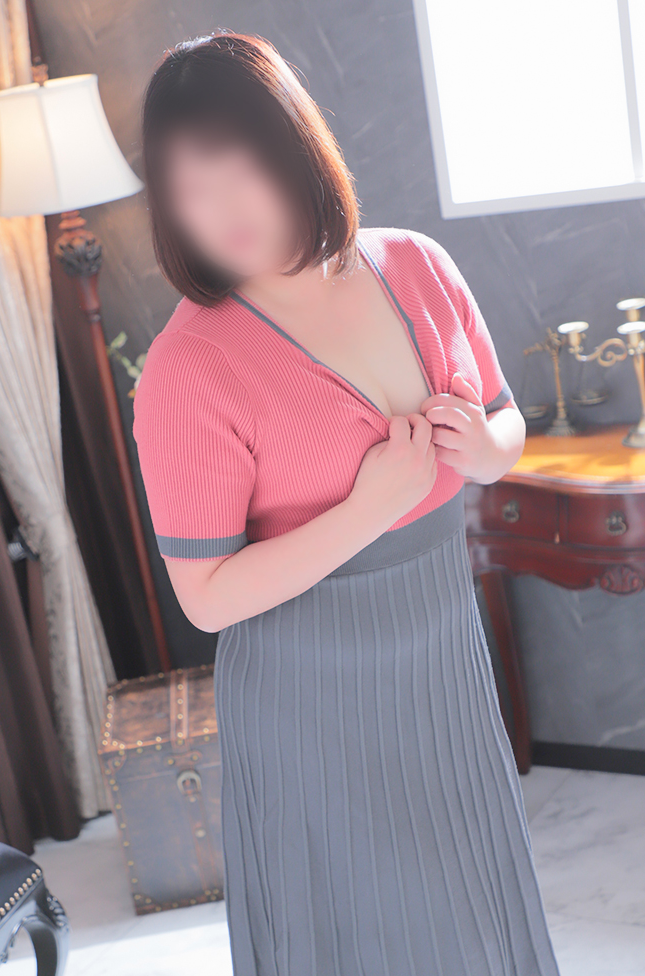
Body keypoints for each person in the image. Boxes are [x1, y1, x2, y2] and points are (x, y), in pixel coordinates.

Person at [134, 31, 560, 976]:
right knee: (355, 936)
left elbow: (505, 423)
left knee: (475, 913)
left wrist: (484, 448)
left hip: (442, 663)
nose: (221, 209)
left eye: (239, 169)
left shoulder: (416, 264)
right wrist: (370, 508)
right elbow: (206, 596)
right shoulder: (187, 366)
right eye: (189, 187)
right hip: (308, 697)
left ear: (295, 148)